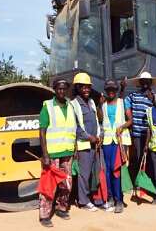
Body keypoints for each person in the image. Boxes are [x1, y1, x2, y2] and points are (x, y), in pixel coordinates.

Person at [69, 73, 112, 212]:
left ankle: (99, 201)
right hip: (84, 146)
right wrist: (89, 137)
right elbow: (75, 128)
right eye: (84, 87)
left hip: (96, 144)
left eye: (88, 87)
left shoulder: (92, 102)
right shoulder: (73, 105)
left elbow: (98, 121)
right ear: (78, 88)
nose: (87, 90)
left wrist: (100, 134)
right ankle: (84, 201)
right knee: (85, 175)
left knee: (100, 171)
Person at [37, 78, 76, 228]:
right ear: (54, 89)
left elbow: (73, 129)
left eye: (64, 88)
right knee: (49, 185)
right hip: (52, 153)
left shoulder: (70, 106)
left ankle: (61, 208)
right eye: (59, 88)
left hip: (67, 151)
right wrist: (45, 154)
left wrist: (75, 149)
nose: (62, 91)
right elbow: (42, 132)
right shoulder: (47, 106)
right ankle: (45, 215)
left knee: (66, 183)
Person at [97, 79, 133, 213]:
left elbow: (130, 120)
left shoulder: (123, 103)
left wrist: (122, 127)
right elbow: (100, 119)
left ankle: (119, 199)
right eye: (108, 89)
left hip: (119, 140)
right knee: (108, 169)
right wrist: (99, 106)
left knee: (116, 169)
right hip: (107, 140)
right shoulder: (104, 104)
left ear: (116, 90)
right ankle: (110, 196)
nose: (111, 91)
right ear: (106, 91)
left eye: (113, 89)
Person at [124, 72, 156, 181]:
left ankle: (150, 180)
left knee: (152, 158)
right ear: (140, 82)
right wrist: (122, 88)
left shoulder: (155, 96)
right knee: (140, 158)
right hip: (138, 134)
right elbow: (123, 103)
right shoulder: (133, 96)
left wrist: (153, 101)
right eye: (142, 80)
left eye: (147, 81)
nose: (145, 83)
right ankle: (141, 181)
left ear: (150, 82)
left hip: (151, 134)